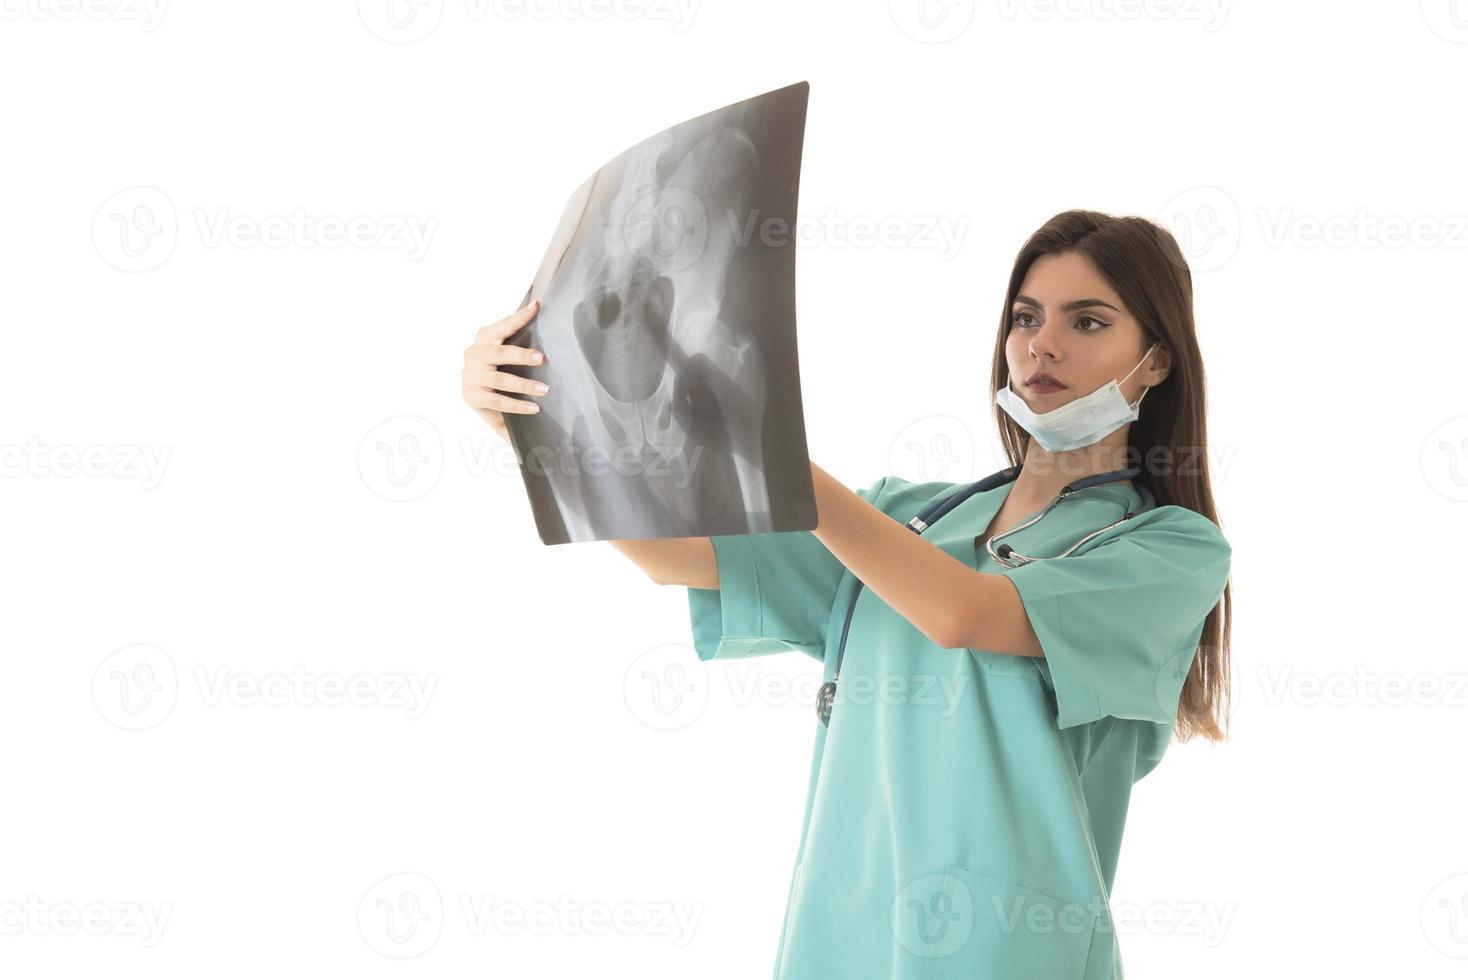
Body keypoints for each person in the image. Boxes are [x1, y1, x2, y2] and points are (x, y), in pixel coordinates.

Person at [460, 209, 1233, 980]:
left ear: (1157, 361)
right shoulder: (910, 518)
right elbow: (676, 556)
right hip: (842, 942)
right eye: (1025, 317)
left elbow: (963, 614)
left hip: (1007, 953)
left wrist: (780, 456)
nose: (1042, 344)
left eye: (1088, 322)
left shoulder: (1169, 550)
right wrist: (526, 424)